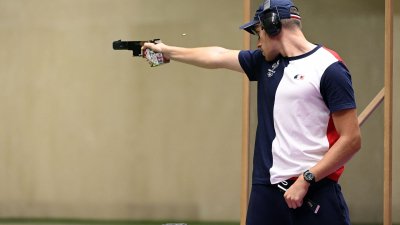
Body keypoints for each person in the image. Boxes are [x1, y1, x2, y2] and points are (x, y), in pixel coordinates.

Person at [142, 0, 361, 224]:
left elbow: (351, 140)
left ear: (272, 25)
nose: (257, 43)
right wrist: (167, 50)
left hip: (314, 189)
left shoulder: (328, 68)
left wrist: (306, 179)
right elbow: (217, 55)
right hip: (266, 189)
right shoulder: (266, 63)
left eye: (258, 32)